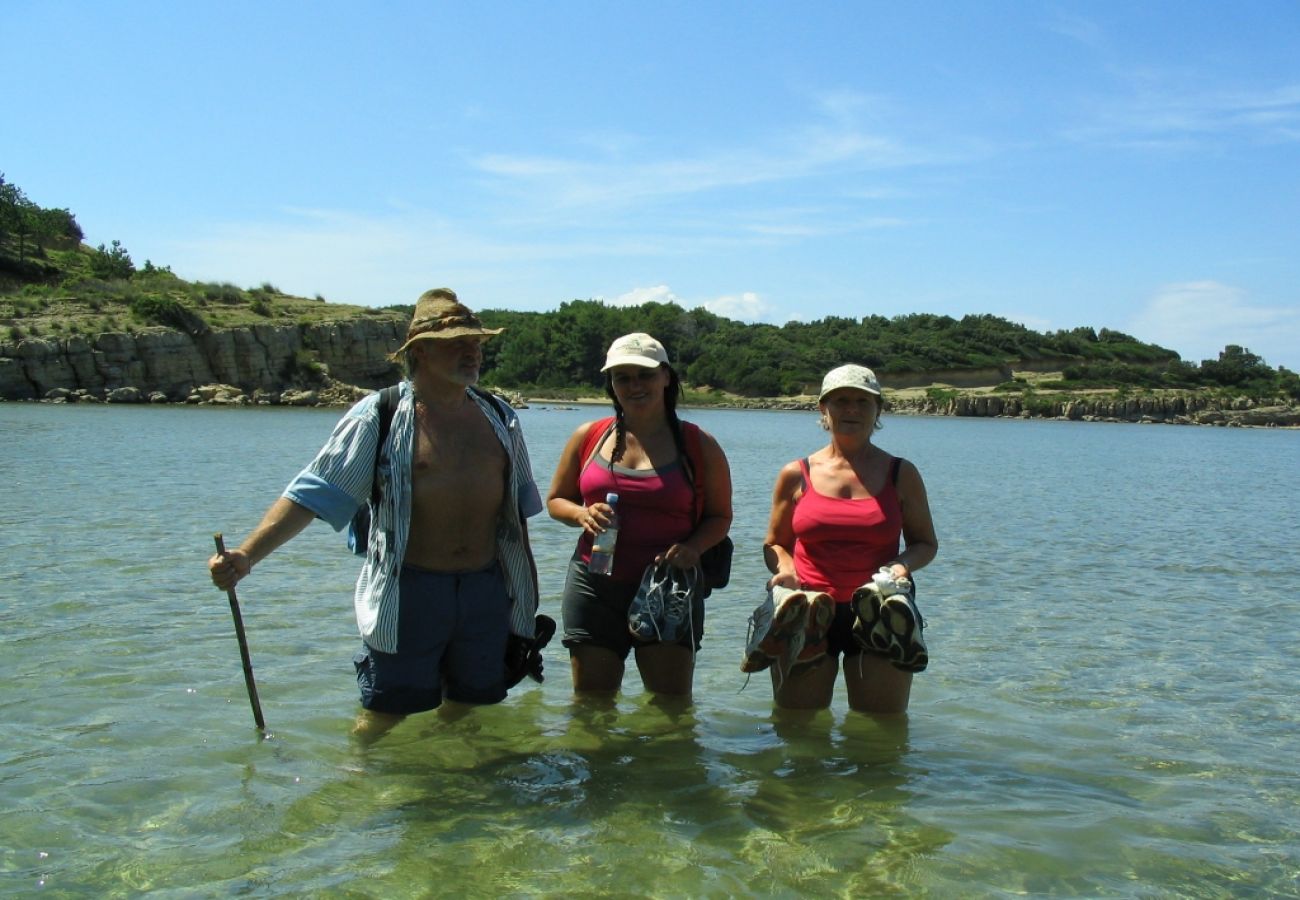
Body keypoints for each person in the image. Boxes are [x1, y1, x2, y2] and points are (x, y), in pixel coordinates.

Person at [208, 288, 544, 735]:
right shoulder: (379, 415)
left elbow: (517, 514)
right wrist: (247, 556)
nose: (472, 352)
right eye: (456, 343)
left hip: (486, 591)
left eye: (476, 342)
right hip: (411, 592)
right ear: (419, 352)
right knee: (384, 712)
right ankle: (361, 788)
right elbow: (314, 493)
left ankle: (458, 787)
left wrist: (524, 600)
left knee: (472, 703)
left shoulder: (501, 417)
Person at [546, 333, 733, 698]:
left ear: (666, 376)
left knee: (671, 709)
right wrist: (581, 515)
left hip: (670, 588)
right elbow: (556, 500)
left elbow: (720, 516)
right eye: (622, 377)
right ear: (612, 385)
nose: (634, 385)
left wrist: (694, 547)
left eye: (644, 375)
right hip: (594, 583)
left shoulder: (699, 445)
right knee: (591, 709)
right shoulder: (589, 436)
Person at [759, 364, 938, 715]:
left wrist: (901, 566)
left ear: (878, 410)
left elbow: (925, 544)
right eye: (841, 400)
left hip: (880, 609)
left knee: (881, 733)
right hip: (807, 608)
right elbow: (775, 544)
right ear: (823, 408)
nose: (852, 409)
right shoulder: (796, 474)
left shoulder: (901, 473)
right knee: (797, 730)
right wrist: (785, 567)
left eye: (862, 401)